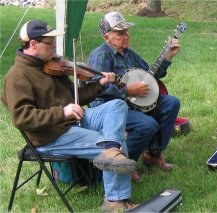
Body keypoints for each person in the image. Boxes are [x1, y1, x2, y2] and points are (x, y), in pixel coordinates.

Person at [1, 20, 139, 211]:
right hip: (51, 135)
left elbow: (76, 97)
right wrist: (62, 111)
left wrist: (100, 84)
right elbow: (22, 118)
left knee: (116, 106)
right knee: (114, 144)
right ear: (33, 45)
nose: (55, 48)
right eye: (50, 44)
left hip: (72, 122)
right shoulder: (17, 76)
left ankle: (112, 152)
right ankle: (115, 201)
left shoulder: (49, 66)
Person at [88, 12, 180, 182]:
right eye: (120, 33)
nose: (126, 36)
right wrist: (127, 90)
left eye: (127, 31)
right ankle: (125, 163)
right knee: (147, 124)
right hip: (111, 107)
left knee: (171, 103)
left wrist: (167, 57)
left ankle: (153, 153)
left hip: (134, 103)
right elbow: (96, 88)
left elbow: (150, 76)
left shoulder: (130, 54)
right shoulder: (101, 55)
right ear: (107, 37)